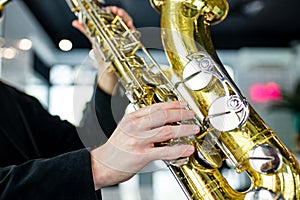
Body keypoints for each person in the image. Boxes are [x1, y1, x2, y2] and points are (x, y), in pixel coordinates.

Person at [0, 6, 200, 200]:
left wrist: (108, 68)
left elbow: (84, 145)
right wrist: (96, 167)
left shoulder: (11, 98)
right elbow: (94, 159)